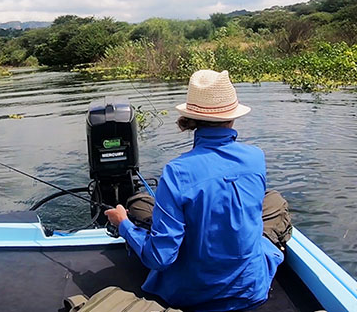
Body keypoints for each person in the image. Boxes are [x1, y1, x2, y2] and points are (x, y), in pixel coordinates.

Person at [105, 69, 286, 311]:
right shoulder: (256, 157)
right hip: (252, 289)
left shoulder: (176, 171)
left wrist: (123, 225)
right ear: (232, 117)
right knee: (274, 200)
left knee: (139, 203)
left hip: (195, 297)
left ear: (192, 119)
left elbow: (160, 257)